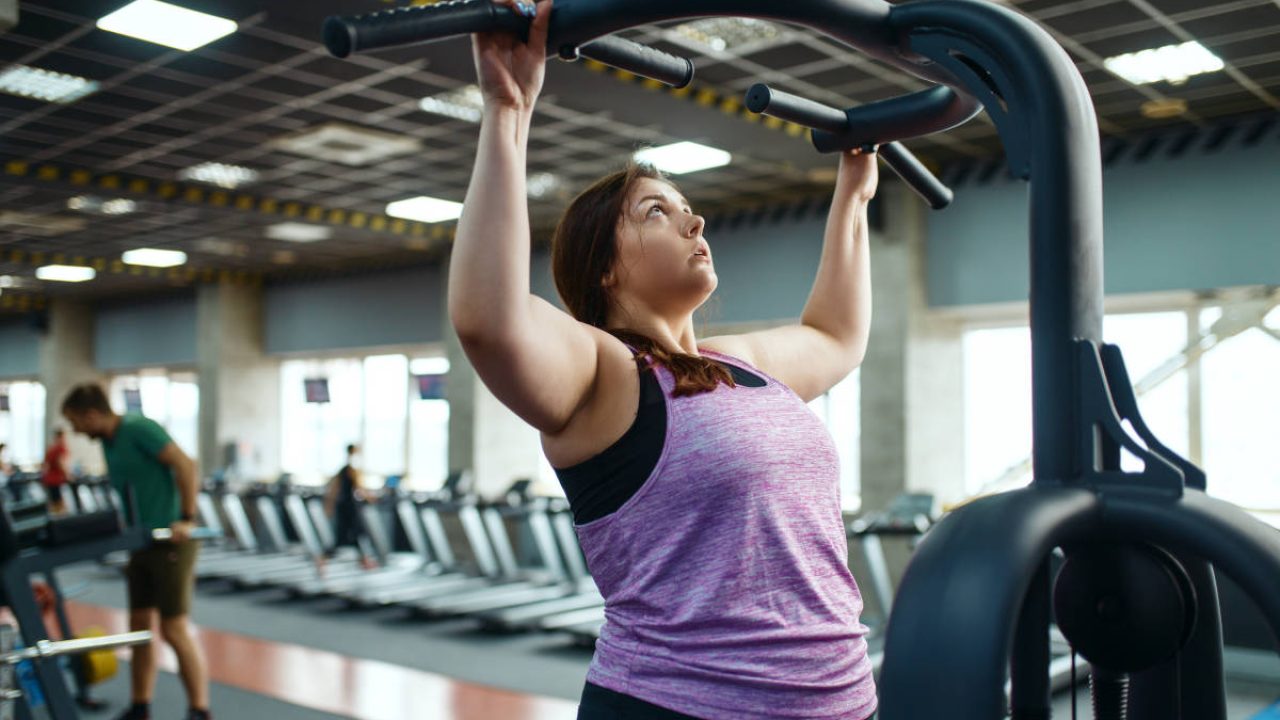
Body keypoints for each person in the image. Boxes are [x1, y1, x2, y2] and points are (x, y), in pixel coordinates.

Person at [450, 2, 879, 718]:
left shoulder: (739, 365)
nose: (694, 220)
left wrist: (854, 195)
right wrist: (508, 111)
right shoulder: (604, 375)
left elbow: (836, 337)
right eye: (656, 211)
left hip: (841, 702)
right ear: (605, 269)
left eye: (686, 206)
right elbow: (487, 321)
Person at [60, 384, 211, 720]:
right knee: (139, 625)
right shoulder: (111, 442)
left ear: (92, 414)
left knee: (173, 628)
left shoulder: (137, 428)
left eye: (76, 422)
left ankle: (200, 710)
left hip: (170, 542)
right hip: (140, 543)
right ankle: (140, 705)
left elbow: (185, 465)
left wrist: (185, 518)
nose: (75, 430)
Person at [322, 444, 375, 570]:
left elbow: (333, 489)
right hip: (350, 506)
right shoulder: (351, 469)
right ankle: (363, 560)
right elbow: (359, 488)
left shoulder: (344, 468)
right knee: (355, 533)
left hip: (343, 505)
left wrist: (329, 505)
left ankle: (363, 560)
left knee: (350, 535)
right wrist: (371, 499)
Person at [41, 428, 70, 514]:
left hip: (49, 479)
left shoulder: (51, 448)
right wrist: (68, 475)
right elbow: (60, 463)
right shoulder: (60, 448)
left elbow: (44, 465)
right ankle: (59, 523)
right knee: (59, 504)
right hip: (56, 480)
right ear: (61, 437)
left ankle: (55, 520)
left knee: (54, 503)